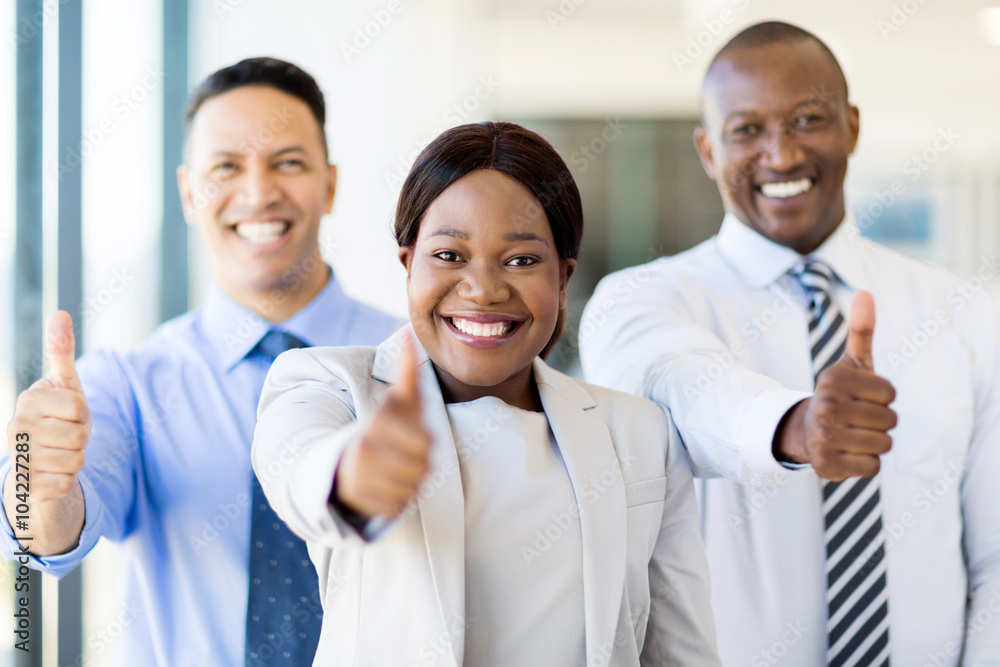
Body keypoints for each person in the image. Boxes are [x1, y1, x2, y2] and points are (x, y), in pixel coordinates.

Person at [580, 21, 1000, 666]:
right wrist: (793, 427)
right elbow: (680, 383)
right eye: (747, 129)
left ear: (852, 126)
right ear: (708, 150)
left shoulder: (967, 314)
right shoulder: (640, 300)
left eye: (807, 119)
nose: (780, 155)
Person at [251, 121, 722, 666]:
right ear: (408, 266)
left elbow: (681, 650)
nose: (483, 289)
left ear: (563, 279)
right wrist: (355, 476)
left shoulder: (642, 434)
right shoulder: (327, 385)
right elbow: (299, 468)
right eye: (449, 256)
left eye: (522, 260)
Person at [1, 58, 399, 665]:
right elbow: (40, 536)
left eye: (288, 162)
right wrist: (38, 476)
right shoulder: (127, 385)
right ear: (190, 193)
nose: (260, 191)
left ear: (330, 183)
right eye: (226, 168)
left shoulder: (420, 366)